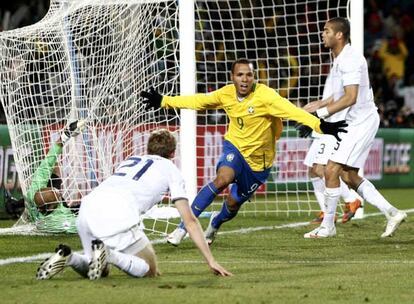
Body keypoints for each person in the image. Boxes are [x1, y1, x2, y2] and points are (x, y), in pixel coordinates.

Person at [140, 58, 348, 246]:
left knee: (232, 204)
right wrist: (164, 101)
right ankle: (182, 229)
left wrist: (322, 126)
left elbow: (293, 111)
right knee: (223, 178)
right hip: (235, 148)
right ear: (233, 77)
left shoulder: (266, 96)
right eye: (240, 75)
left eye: (249, 74)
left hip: (259, 164)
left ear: (254, 77)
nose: (244, 79)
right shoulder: (226, 94)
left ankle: (214, 224)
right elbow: (199, 101)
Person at [36, 129, 232, 280]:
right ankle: (109, 254)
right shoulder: (171, 169)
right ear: (173, 153)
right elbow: (189, 221)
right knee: (150, 270)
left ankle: (69, 257)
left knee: (99, 270)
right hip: (118, 211)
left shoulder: (131, 160)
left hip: (87, 208)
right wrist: (211, 260)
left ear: (148, 149)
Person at [302, 17, 407, 239]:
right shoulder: (340, 59)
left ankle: (328, 227)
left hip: (361, 121)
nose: (323, 34)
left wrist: (320, 116)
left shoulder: (349, 59)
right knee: (348, 176)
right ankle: (393, 213)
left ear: (339, 35)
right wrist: (311, 108)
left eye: (327, 30)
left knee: (329, 170)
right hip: (355, 121)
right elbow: (338, 95)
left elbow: (350, 98)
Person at [298, 73, 361, 224]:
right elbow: (328, 98)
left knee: (320, 169)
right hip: (324, 123)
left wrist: (315, 108)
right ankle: (327, 212)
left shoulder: (345, 67)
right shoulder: (336, 66)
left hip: (334, 124)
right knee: (313, 171)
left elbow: (339, 97)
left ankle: (351, 200)